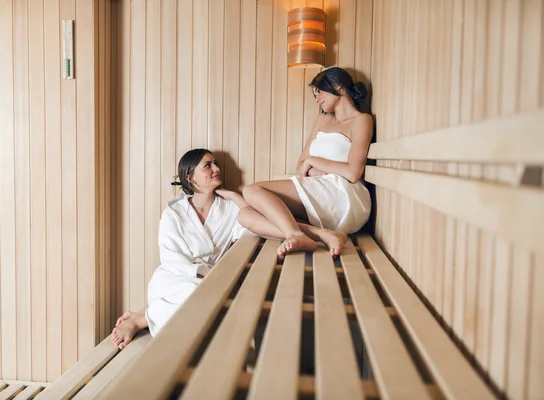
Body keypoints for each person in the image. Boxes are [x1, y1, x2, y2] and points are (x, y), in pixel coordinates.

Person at [111, 148, 348, 348]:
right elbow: (173, 260)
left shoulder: (228, 209)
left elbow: (258, 222)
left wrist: (237, 198)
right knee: (205, 297)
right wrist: (207, 276)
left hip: (212, 281)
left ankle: (145, 318)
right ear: (190, 177)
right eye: (207, 165)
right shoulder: (173, 213)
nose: (216, 168)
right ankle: (142, 319)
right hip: (175, 280)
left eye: (215, 164)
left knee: (213, 302)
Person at [241, 67, 373, 258]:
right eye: (314, 95)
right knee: (245, 215)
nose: (317, 98)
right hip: (318, 188)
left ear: (338, 86)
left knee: (251, 191)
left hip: (342, 195)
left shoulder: (361, 120)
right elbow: (301, 165)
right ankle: (321, 234)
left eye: (319, 91)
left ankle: (295, 234)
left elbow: (353, 173)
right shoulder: (323, 120)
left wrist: (313, 161)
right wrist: (313, 170)